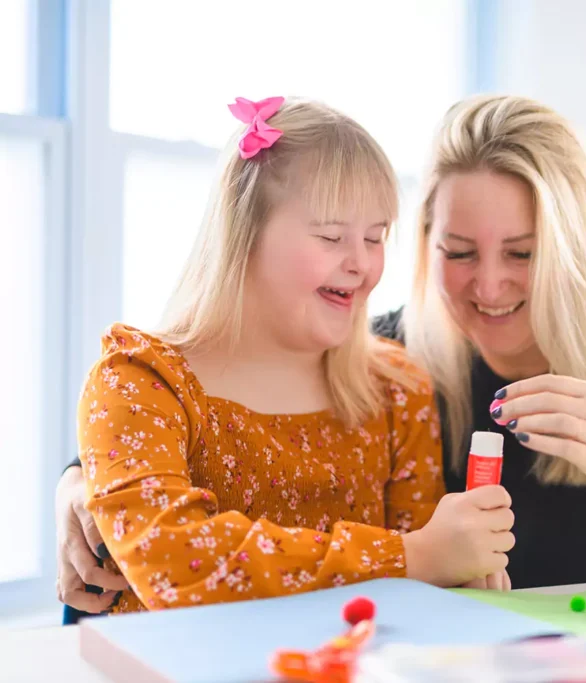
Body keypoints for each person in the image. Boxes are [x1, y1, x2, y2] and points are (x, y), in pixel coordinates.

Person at [57, 94, 586, 616]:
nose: (487, 285)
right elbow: (201, 421)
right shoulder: (390, 355)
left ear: (576, 250)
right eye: (457, 251)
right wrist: (79, 482)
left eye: (522, 253)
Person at [61, 96, 514, 617]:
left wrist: (458, 576)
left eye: (375, 237)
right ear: (245, 236)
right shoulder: (140, 381)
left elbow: (424, 591)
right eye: (331, 236)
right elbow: (173, 562)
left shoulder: (397, 387)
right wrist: (410, 558)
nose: (362, 263)